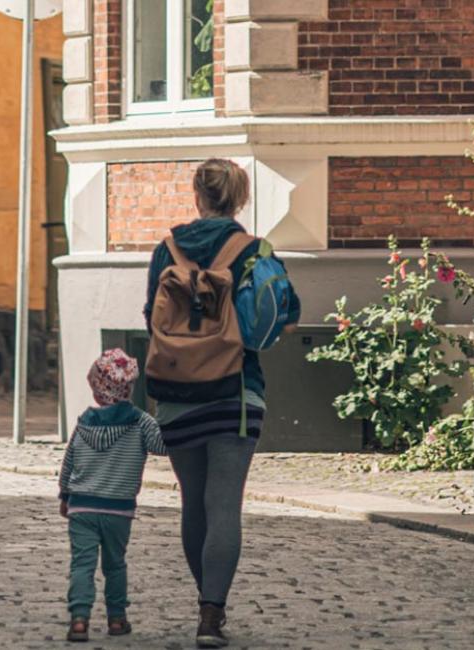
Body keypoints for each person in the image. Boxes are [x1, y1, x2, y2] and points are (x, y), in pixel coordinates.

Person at [142, 159, 300, 648]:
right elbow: (286, 315)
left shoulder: (165, 250)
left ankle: (206, 599)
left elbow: (151, 315)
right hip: (235, 391)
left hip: (176, 392)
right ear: (240, 199)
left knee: (194, 503)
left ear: (197, 196)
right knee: (225, 504)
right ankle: (212, 613)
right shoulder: (253, 251)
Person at [58, 349, 163, 643]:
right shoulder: (140, 422)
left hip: (82, 507)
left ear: (95, 387)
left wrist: (65, 494)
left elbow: (69, 461)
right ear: (129, 387)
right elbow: (162, 445)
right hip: (119, 509)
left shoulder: (84, 424)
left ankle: (79, 619)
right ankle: (117, 619)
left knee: (82, 564)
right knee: (115, 563)